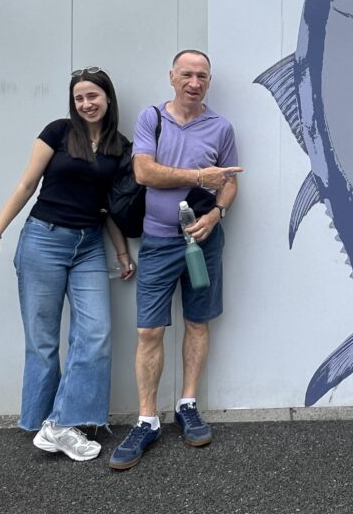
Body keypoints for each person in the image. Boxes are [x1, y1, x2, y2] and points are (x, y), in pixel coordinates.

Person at [0, 67, 135, 462]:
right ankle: (44, 421)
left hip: (89, 246)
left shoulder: (120, 146)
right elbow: (26, 185)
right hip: (43, 239)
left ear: (108, 98)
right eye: (79, 98)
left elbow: (109, 206)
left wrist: (121, 251)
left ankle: (61, 422)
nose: (86, 104)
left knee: (95, 332)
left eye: (93, 96)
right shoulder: (59, 132)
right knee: (42, 338)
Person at [109, 49, 242, 471]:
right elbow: (145, 173)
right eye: (187, 73)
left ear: (209, 81)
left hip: (204, 243)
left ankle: (188, 404)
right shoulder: (153, 118)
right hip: (158, 242)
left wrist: (217, 213)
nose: (194, 81)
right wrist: (200, 177)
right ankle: (147, 420)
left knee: (198, 323)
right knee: (149, 331)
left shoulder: (221, 127)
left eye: (202, 75)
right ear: (172, 77)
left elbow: (232, 183)